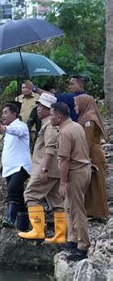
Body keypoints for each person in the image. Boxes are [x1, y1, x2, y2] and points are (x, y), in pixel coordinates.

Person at [19, 93, 66, 243]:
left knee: (31, 195)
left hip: (46, 168)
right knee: (57, 201)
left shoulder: (49, 126)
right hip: (55, 170)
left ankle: (38, 230)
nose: (38, 109)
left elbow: (50, 148)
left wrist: (44, 169)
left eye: (42, 106)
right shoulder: (49, 124)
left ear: (49, 109)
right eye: (38, 105)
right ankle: (60, 235)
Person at [50, 102, 91, 261]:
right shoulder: (76, 126)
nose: (50, 117)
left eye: (52, 115)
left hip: (76, 172)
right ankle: (73, 239)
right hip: (83, 169)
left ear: (59, 117)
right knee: (69, 206)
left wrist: (63, 183)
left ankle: (83, 246)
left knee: (76, 209)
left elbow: (65, 160)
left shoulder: (66, 132)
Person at [0, 103, 31, 231]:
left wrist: (5, 129)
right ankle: (23, 227)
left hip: (21, 167)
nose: (3, 115)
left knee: (11, 190)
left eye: (5, 112)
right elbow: (8, 149)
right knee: (19, 196)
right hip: (9, 167)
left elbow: (17, 132)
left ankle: (10, 219)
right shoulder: (9, 129)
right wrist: (2, 163)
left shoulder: (21, 126)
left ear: (14, 114)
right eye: (3, 113)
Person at [74, 94, 109, 220]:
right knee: (91, 185)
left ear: (84, 104)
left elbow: (87, 140)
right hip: (90, 154)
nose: (75, 107)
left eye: (76, 104)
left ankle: (100, 212)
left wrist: (80, 157)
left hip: (93, 155)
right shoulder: (85, 117)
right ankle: (91, 211)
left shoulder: (89, 119)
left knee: (97, 185)